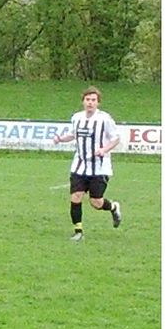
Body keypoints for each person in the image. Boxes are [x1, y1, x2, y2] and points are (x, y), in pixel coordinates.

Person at [52, 86, 123, 241]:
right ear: (83, 101)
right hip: (79, 165)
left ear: (98, 103)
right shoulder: (77, 117)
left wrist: (104, 149)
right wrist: (61, 139)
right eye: (87, 100)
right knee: (76, 196)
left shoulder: (104, 119)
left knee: (96, 202)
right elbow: (74, 134)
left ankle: (113, 207)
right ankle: (78, 232)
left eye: (93, 100)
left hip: (99, 167)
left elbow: (116, 138)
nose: (90, 103)